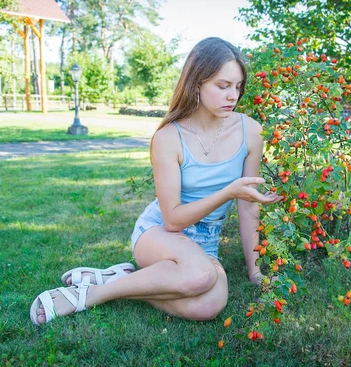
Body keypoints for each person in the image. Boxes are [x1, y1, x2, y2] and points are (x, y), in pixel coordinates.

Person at [30, 37, 282, 325]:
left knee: (209, 304)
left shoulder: (250, 131)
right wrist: (228, 192)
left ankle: (128, 278)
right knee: (201, 275)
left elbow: (248, 207)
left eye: (237, 87)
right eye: (222, 86)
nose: (232, 96)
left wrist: (255, 271)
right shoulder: (168, 138)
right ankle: (92, 294)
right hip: (160, 233)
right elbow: (173, 220)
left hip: (205, 244)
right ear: (197, 83)